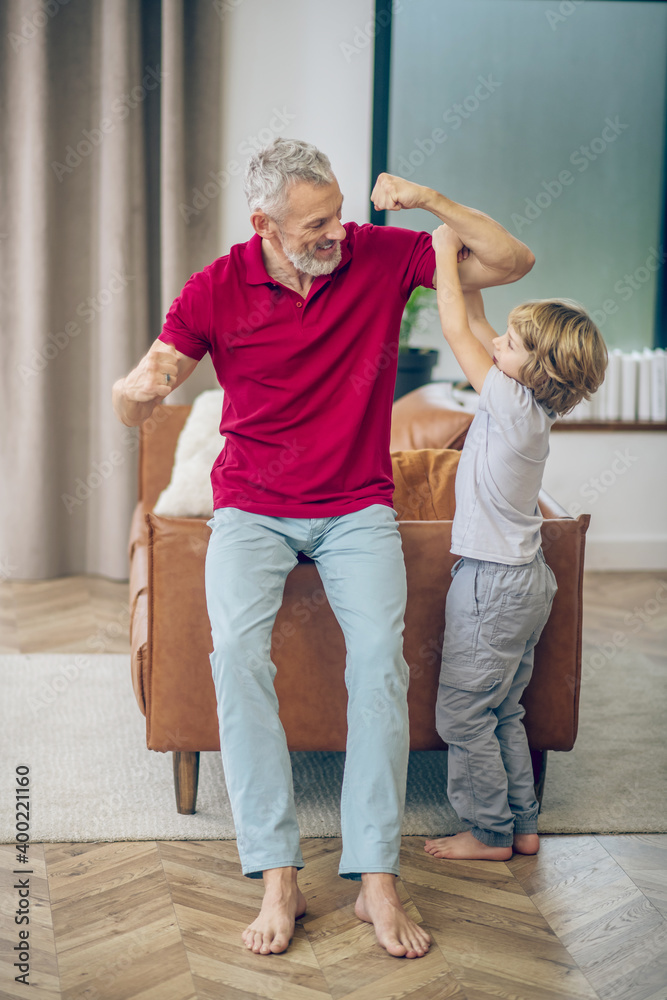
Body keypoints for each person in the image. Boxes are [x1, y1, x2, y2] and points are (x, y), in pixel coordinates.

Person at [112, 138, 535, 957]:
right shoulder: (214, 289)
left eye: (338, 214)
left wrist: (431, 198)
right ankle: (277, 873)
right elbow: (145, 390)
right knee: (234, 653)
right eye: (315, 224)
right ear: (262, 224)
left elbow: (510, 262)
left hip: (353, 506)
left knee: (380, 658)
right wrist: (131, 398)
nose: (336, 233)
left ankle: (376, 878)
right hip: (252, 507)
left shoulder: (376, 255)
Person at [423, 222, 607, 863]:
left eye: (512, 343)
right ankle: (522, 824)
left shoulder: (509, 402)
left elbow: (455, 330)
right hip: (524, 580)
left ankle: (488, 832)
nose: (496, 342)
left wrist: (445, 250)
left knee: (462, 715)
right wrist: (475, 277)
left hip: (492, 582)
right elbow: (475, 329)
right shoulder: (528, 406)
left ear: (535, 367)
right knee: (502, 711)